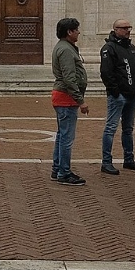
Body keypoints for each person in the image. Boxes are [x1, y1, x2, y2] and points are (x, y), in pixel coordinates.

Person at [98, 19, 135, 175]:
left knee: (128, 129)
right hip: (118, 96)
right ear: (115, 29)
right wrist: (115, 91)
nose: (128, 30)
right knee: (111, 128)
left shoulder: (131, 48)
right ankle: (106, 162)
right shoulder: (109, 48)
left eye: (129, 27)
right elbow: (106, 72)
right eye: (124, 28)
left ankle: (129, 159)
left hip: (132, 95)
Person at [50, 17, 88, 185]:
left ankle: (58, 168)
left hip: (64, 96)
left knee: (62, 135)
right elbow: (69, 77)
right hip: (66, 97)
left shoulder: (66, 47)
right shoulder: (66, 50)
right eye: (76, 30)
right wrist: (81, 100)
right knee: (66, 137)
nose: (79, 32)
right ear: (69, 32)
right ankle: (64, 172)